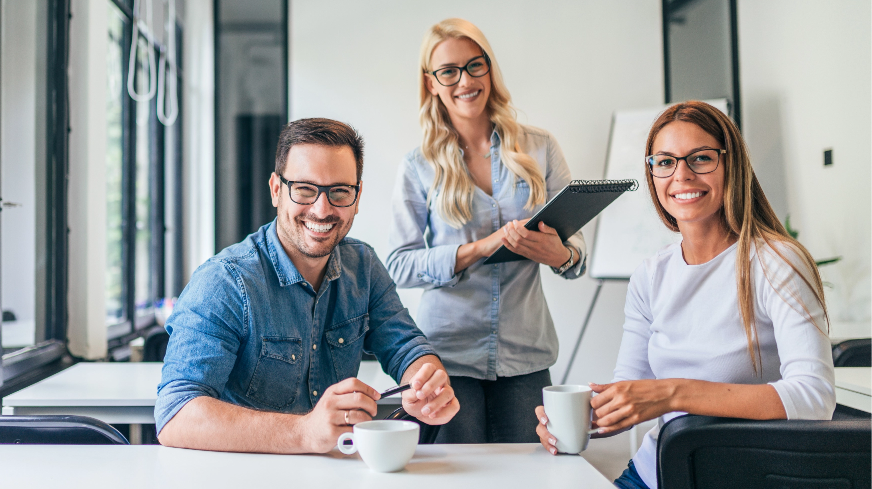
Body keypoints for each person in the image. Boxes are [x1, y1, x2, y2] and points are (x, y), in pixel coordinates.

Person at [535, 101, 835, 488]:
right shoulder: (649, 276)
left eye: (701, 158)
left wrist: (674, 394)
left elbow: (814, 398)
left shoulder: (776, 262)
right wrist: (577, 422)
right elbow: (632, 392)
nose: (682, 175)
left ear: (731, 164)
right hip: (656, 472)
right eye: (665, 162)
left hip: (743, 478)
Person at [156, 118, 458, 453]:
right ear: (276, 190)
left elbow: (406, 347)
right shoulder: (224, 281)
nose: (321, 209)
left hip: (334, 472)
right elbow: (176, 415)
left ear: (357, 198)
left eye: (339, 192)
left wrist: (427, 380)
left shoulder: (364, 266)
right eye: (304, 189)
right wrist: (304, 432)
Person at [386, 18, 587, 444]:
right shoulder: (417, 165)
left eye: (475, 66)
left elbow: (576, 252)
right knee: (457, 476)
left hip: (525, 353)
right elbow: (398, 265)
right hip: (447, 355)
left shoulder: (540, 147)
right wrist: (478, 249)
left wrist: (560, 255)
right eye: (449, 71)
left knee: (529, 477)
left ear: (490, 69)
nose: (465, 81)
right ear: (432, 83)